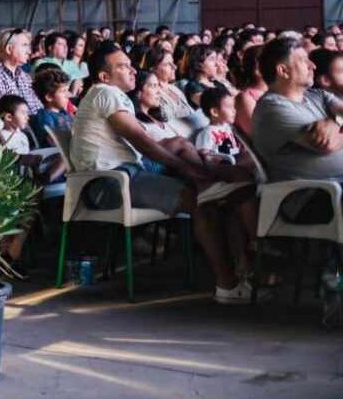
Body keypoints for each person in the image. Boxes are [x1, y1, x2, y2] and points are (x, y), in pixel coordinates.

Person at [71, 44, 258, 303]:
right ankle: (228, 285)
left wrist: (192, 162)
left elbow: (150, 142)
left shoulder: (107, 95)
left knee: (179, 145)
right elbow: (141, 141)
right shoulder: (106, 93)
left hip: (126, 173)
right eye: (122, 66)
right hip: (111, 182)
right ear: (104, 76)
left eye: (130, 63)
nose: (132, 69)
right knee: (201, 203)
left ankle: (210, 184)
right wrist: (188, 168)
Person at [250, 36, 343, 182]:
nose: (313, 66)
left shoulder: (317, 95)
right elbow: (328, 143)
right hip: (315, 194)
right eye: (303, 60)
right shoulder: (272, 109)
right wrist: (337, 119)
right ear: (283, 71)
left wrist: (334, 122)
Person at [0, 29, 43, 117]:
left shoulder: (24, 76)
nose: (29, 51)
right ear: (9, 49)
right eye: (24, 45)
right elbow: (2, 115)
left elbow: (37, 107)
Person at [29, 68, 73, 148]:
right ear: (49, 97)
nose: (68, 95)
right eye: (63, 91)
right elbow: (53, 142)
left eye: (67, 90)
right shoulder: (45, 116)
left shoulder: (64, 113)